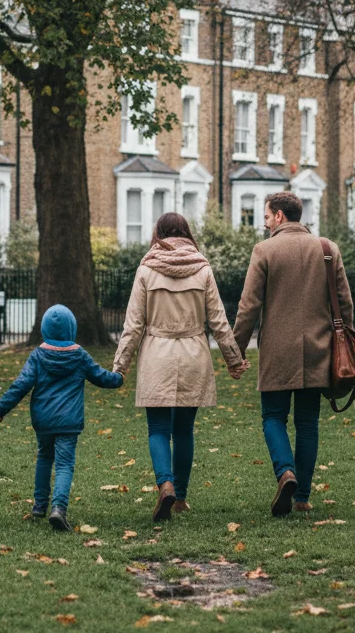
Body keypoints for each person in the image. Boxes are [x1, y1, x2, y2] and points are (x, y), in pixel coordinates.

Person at [114, 212, 249, 521]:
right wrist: (233, 359)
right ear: (187, 233)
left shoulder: (147, 269)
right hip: (193, 355)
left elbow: (133, 324)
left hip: (157, 356)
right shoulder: (202, 269)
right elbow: (218, 320)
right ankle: (181, 497)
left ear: (158, 234)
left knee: (158, 428)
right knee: (184, 429)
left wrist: (120, 366)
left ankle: (165, 484)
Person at [232, 191, 353, 517]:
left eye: (268, 216)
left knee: (273, 417)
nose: (266, 222)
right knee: (308, 422)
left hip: (277, 351)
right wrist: (345, 347)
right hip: (318, 348)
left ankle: (285, 470)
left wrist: (236, 350)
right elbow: (344, 303)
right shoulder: (328, 250)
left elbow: (249, 307)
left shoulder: (265, 251)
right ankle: (302, 496)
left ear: (281, 216)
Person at [0, 304, 123, 531]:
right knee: (64, 464)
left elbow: (21, 384)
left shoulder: (38, 355)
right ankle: (58, 508)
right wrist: (118, 378)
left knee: (44, 457)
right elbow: (101, 377)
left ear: (44, 329)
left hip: (43, 420)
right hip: (69, 421)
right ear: (72, 328)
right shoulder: (79, 355)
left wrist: (0, 409)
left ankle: (39, 505)